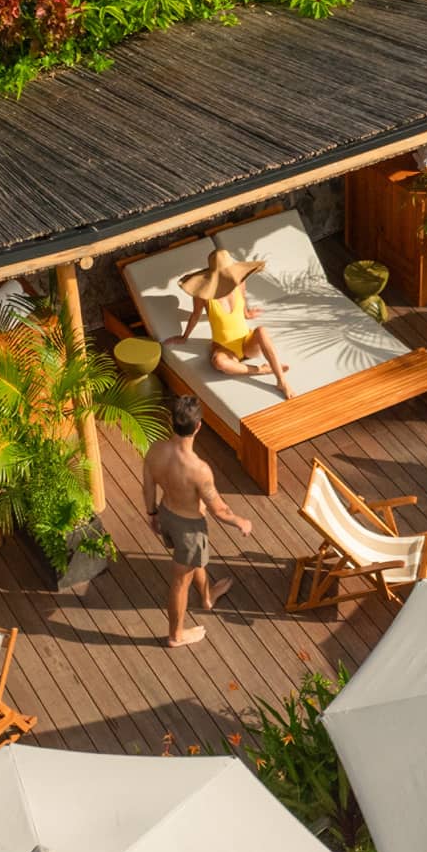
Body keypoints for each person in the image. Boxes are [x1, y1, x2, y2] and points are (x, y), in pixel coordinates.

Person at [142, 394, 252, 648]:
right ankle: (176, 636)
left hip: (166, 513)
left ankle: (207, 597)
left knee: (192, 563)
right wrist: (241, 522)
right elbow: (219, 510)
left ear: (172, 422)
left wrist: (152, 514)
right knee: (181, 582)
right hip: (190, 530)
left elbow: (147, 485)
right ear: (199, 426)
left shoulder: (155, 450)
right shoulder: (198, 469)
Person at [177, 248, 294, 400]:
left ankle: (282, 381)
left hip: (247, 343)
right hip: (224, 349)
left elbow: (243, 302)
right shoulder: (204, 294)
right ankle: (261, 370)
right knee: (219, 362)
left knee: (262, 331)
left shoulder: (239, 283)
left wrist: (247, 314)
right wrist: (184, 337)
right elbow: (195, 315)